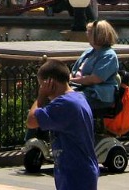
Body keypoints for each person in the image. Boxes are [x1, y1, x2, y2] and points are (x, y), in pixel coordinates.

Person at [26, 59, 98, 190]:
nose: (41, 88)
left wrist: (41, 97)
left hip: (75, 175)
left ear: (50, 82)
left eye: (42, 84)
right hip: (78, 173)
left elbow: (31, 121)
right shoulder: (77, 98)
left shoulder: (64, 104)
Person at [69, 20, 119, 113]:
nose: (87, 34)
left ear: (100, 35)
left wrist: (71, 81)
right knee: (53, 95)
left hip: (98, 94)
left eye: (90, 32)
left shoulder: (108, 55)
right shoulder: (89, 52)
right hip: (79, 88)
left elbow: (95, 79)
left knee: (69, 101)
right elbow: (74, 72)